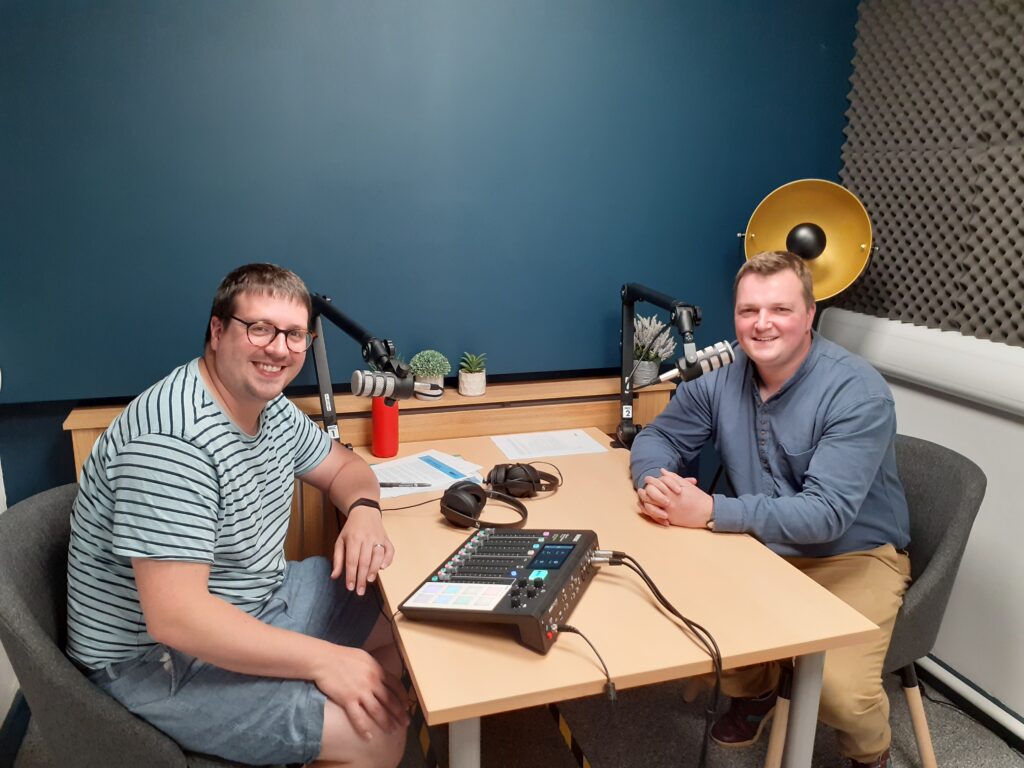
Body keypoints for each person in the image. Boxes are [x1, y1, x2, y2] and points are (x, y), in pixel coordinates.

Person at [67, 264, 408, 768]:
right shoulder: (171, 441)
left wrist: (363, 512)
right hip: (158, 660)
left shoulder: (267, 405)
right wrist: (327, 661)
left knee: (404, 626)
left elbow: (345, 468)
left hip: (257, 597)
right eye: (260, 328)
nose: (278, 348)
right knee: (374, 735)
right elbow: (177, 619)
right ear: (217, 330)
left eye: (294, 334)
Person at [630, 251, 911, 768]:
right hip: (760, 544)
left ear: (809, 315)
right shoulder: (719, 381)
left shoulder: (856, 392)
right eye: (747, 311)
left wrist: (712, 511)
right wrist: (656, 484)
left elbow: (826, 514)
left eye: (780, 309)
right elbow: (659, 436)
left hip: (851, 553)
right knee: (685, 614)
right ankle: (755, 690)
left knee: (840, 694)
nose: (761, 325)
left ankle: (872, 754)